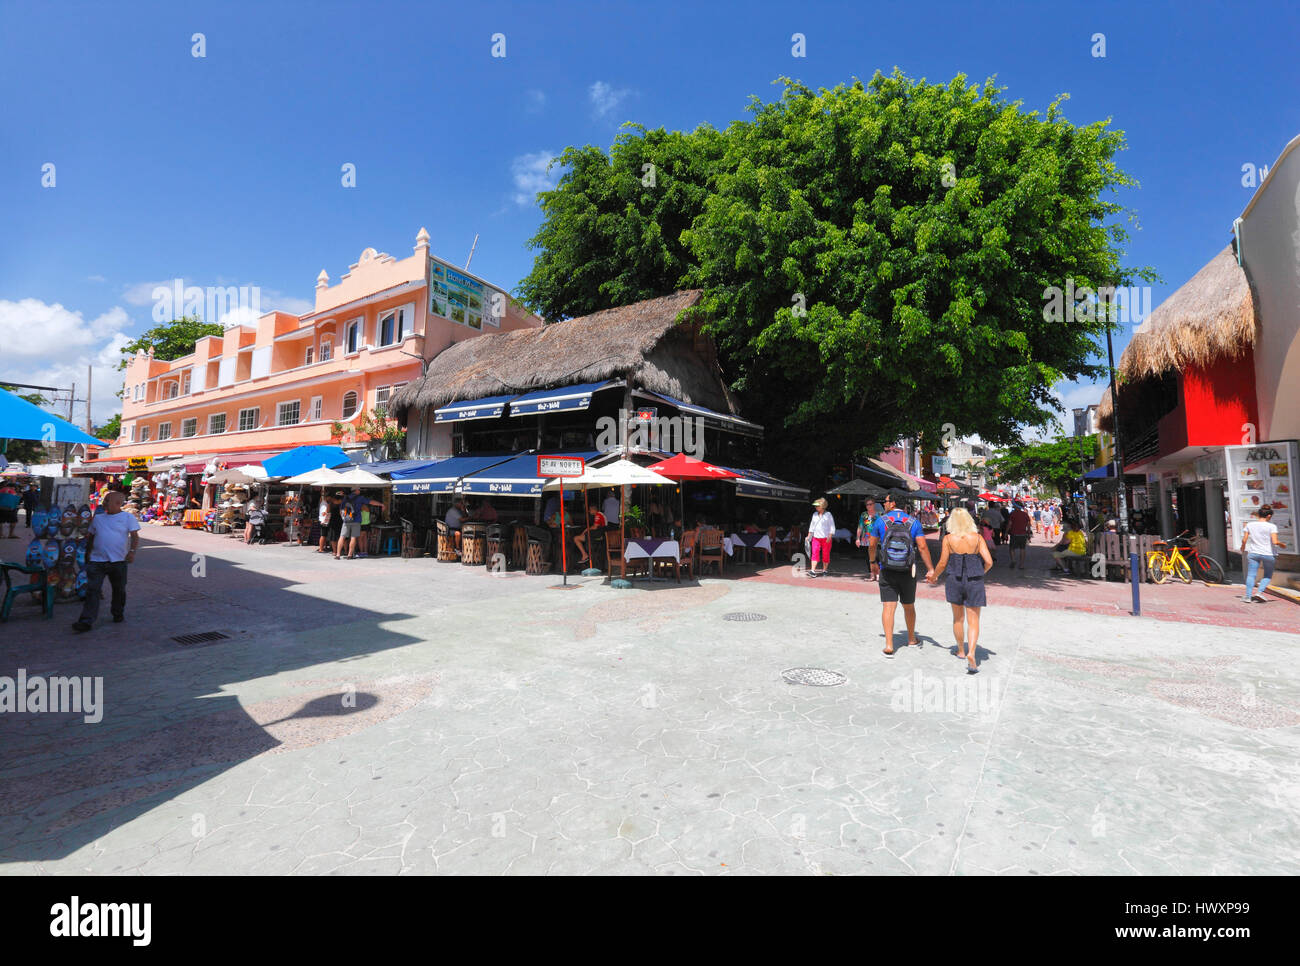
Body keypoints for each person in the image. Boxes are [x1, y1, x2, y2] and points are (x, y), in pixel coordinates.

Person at [927, 508, 993, 673]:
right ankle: (972, 652)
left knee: (958, 619)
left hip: (954, 580)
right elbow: (989, 561)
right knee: (974, 621)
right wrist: (979, 572)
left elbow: (942, 563)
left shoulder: (948, 539)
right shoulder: (977, 538)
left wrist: (934, 576)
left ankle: (961, 651)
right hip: (974, 581)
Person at [869, 493, 936, 655]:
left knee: (888, 606)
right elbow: (922, 547)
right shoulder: (914, 522)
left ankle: (889, 645)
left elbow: (872, 545)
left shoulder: (881, 521)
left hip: (887, 569)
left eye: (885, 501)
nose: (883, 504)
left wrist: (873, 563)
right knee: (908, 606)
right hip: (907, 570)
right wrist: (930, 569)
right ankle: (912, 639)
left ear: (892, 503)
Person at [72, 490, 140, 632]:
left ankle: (117, 613)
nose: (103, 503)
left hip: (119, 561)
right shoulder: (98, 518)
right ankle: (86, 621)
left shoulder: (128, 518)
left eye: (107, 501)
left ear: (117, 503)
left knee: (119, 590)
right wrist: (88, 553)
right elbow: (91, 536)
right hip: (97, 561)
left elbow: (134, 536)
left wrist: (132, 552)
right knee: (92, 591)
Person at [1242, 506, 1282, 602]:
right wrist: (1282, 544)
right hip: (1268, 554)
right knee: (1267, 575)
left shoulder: (1250, 525)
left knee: (1251, 575)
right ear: (1268, 516)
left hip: (1253, 553)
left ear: (1258, 515)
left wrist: (1242, 547)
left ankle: (1248, 596)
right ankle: (1259, 592)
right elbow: (1275, 541)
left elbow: (1244, 539)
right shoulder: (1272, 526)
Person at [337, 486, 383, 559]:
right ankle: (349, 555)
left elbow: (341, 509)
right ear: (356, 491)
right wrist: (381, 504)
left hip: (346, 520)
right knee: (353, 537)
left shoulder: (345, 498)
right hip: (356, 520)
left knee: (342, 537)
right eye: (359, 490)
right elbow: (371, 502)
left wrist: (344, 518)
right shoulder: (360, 498)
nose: (360, 491)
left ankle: (338, 555)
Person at [807, 497, 835, 577]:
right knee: (815, 552)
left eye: (817, 506)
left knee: (825, 554)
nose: (816, 507)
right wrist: (809, 535)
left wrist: (830, 535)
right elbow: (812, 526)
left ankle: (825, 570)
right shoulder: (814, 514)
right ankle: (812, 570)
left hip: (826, 538)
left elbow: (832, 526)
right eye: (815, 506)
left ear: (822, 506)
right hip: (816, 537)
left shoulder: (828, 514)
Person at [856, 498, 880, 579]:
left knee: (876, 556)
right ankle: (872, 574)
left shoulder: (879, 514)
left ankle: (878, 574)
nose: (869, 506)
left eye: (870, 504)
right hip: (865, 539)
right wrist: (857, 538)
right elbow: (860, 526)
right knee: (868, 557)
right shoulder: (864, 515)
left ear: (874, 504)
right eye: (867, 505)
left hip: (877, 539)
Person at [1006, 501, 1032, 568]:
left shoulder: (1012, 514)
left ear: (1016, 506)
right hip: (1023, 534)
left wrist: (1006, 532)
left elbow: (1009, 524)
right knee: (1022, 549)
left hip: (1014, 534)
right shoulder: (1025, 514)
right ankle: (1021, 565)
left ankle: (1013, 560)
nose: (1013, 506)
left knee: (1012, 548)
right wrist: (1028, 534)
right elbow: (1028, 525)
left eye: (1014, 505)